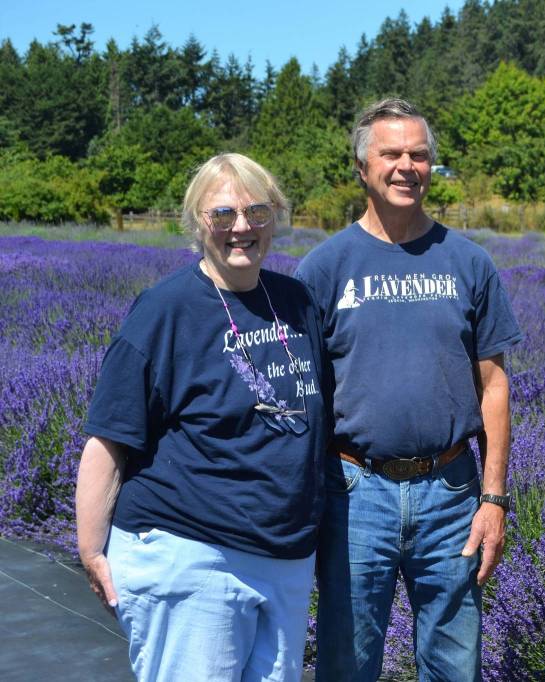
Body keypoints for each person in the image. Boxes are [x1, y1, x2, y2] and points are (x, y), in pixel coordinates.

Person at [75, 153, 331, 682]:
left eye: (257, 212)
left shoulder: (296, 300)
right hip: (192, 552)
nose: (242, 227)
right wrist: (90, 550)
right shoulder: (164, 310)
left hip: (285, 557)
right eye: (223, 214)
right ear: (197, 223)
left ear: (275, 217)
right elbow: (109, 439)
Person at [295, 98, 523, 682]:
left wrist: (493, 499)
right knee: (347, 662)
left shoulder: (469, 262)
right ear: (362, 167)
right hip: (354, 492)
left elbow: (495, 387)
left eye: (419, 155)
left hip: (451, 492)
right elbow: (304, 397)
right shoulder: (324, 268)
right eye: (390, 153)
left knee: (454, 665)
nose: (406, 166)